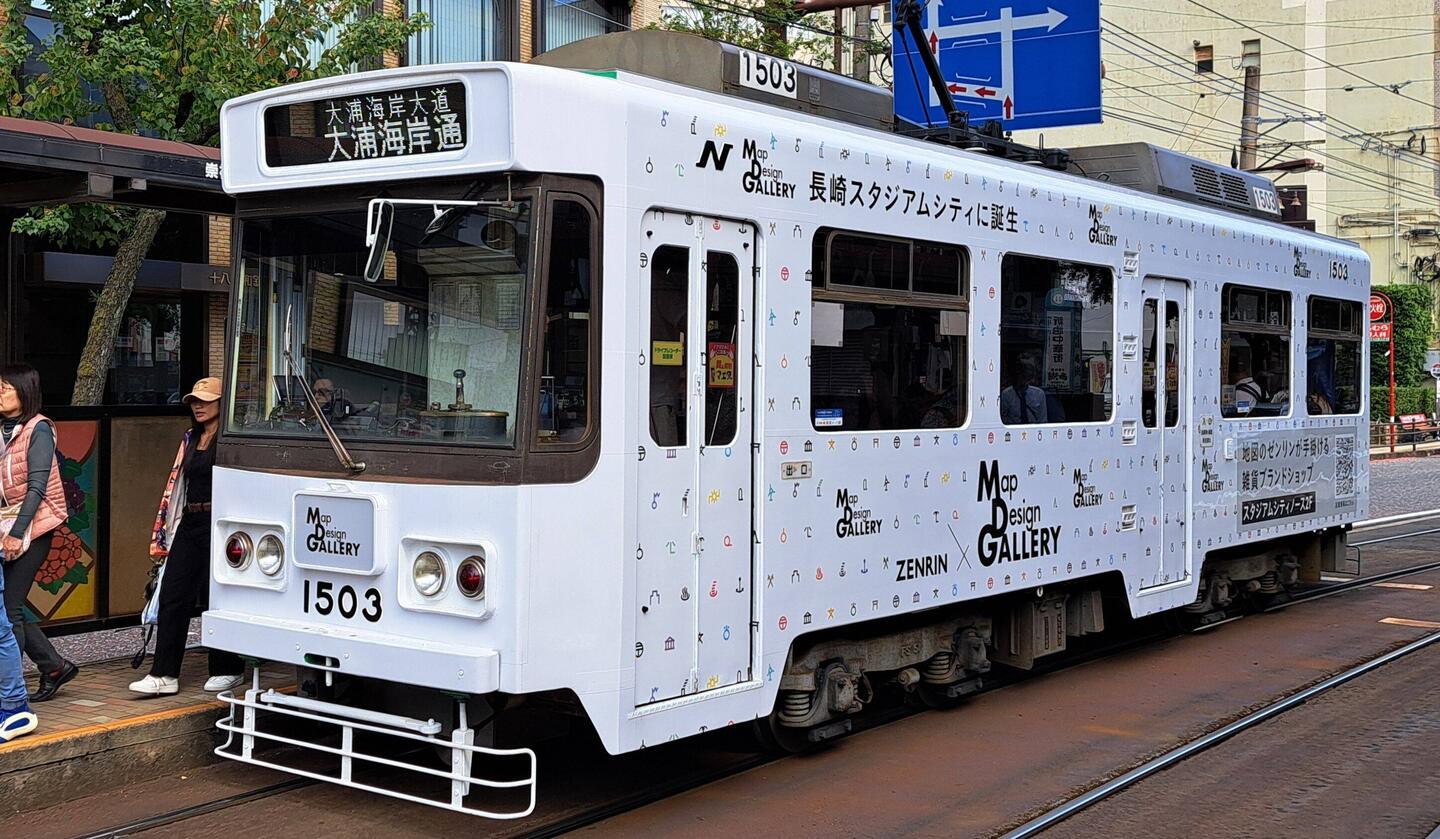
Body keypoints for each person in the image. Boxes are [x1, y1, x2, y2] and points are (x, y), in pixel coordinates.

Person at [130, 377, 245, 696]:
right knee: (173, 594)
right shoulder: (190, 438)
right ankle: (164, 673)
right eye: (194, 400)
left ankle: (228, 668)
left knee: (218, 596)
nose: (198, 405)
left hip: (223, 523)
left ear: (224, 403)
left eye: (206, 400)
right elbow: (177, 485)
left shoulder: (233, 439)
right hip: (190, 520)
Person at [0, 364, 78, 703]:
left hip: (35, 524)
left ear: (24, 391)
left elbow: (37, 488)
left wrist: (18, 533)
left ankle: (11, 692)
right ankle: (54, 665)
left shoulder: (38, 429)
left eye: (4, 388)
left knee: (10, 608)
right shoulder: (1, 429)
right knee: (8, 607)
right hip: (5, 522)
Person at [999, 360, 1048, 424]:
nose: (1023, 379)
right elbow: (1003, 418)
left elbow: (1042, 419)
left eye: (1026, 376)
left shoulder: (1039, 394)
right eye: (1021, 375)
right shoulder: (1006, 394)